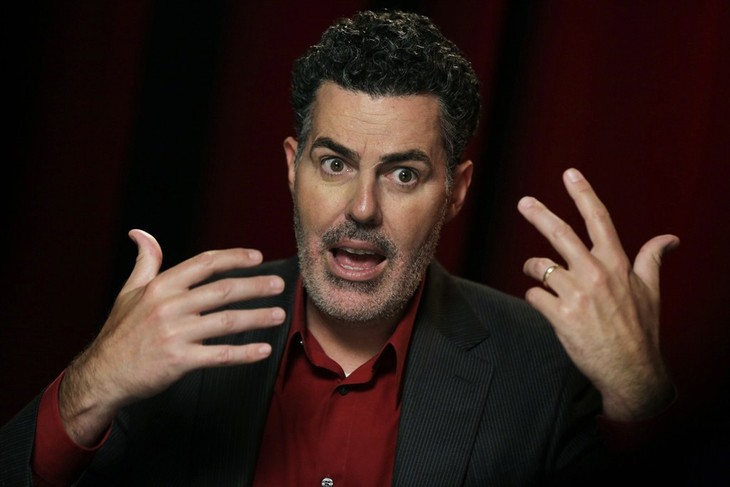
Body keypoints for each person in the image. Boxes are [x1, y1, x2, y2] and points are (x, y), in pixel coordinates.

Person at [0, 9, 678, 486]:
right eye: (334, 164)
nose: (361, 207)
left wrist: (639, 398)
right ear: (291, 167)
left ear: (456, 190)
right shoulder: (174, 338)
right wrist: (91, 386)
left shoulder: (540, 366)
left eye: (403, 174)